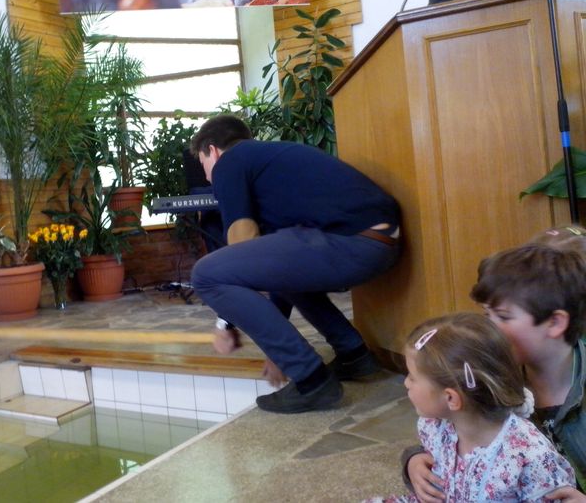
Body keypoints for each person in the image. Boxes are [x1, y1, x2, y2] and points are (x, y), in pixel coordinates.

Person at [189, 114, 401, 413]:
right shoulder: (271, 163)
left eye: (203, 165)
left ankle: (312, 381)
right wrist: (278, 347)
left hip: (352, 242)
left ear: (212, 150)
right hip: (381, 243)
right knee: (282, 263)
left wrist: (227, 325)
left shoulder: (231, 161)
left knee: (206, 274)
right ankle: (354, 355)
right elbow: (274, 271)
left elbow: (242, 247)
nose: (208, 178)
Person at [403, 241, 586, 501]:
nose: (487, 327)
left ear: (555, 322)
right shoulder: (486, 375)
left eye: (503, 316)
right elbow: (458, 429)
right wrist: (414, 459)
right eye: (486, 315)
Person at [368, 313, 575, 502]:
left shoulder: (529, 456)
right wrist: (412, 462)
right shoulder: (436, 425)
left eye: (413, 377)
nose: (406, 383)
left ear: (451, 398)